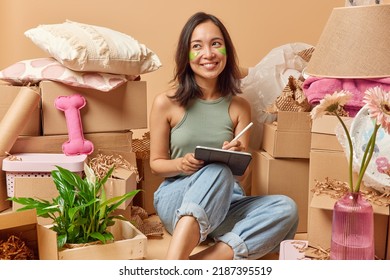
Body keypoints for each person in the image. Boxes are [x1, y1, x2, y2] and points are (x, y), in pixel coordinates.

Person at [149, 11, 298, 260]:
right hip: (176, 201)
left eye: (216, 44)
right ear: (187, 56)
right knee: (216, 169)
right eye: (197, 46)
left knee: (286, 208)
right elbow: (155, 165)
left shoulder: (239, 106)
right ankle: (173, 266)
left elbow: (241, 175)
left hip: (225, 204)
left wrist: (237, 156)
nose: (208, 54)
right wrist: (182, 164)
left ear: (226, 52)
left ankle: (203, 262)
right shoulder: (167, 103)